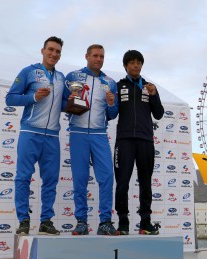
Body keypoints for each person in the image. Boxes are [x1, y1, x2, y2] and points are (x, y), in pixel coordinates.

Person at [6, 36, 67, 235]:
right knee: (23, 177)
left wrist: (74, 99)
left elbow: (64, 104)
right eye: (51, 49)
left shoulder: (61, 78)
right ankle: (23, 220)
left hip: (52, 136)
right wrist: (33, 97)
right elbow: (10, 98)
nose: (54, 54)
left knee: (50, 180)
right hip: (30, 132)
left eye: (58, 51)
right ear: (42, 50)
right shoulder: (28, 71)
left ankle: (46, 221)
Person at [65, 44, 118, 235]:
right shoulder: (73, 76)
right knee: (80, 179)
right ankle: (81, 221)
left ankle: (105, 221)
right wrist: (70, 99)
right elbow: (64, 103)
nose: (98, 59)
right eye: (95, 55)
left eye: (102, 56)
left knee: (107, 177)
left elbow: (112, 113)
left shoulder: (110, 82)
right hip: (78, 132)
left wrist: (111, 104)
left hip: (99, 134)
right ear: (86, 56)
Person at [114, 50, 164, 235]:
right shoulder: (118, 86)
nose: (136, 65)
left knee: (146, 182)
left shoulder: (149, 86)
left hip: (145, 140)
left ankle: (145, 222)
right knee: (122, 183)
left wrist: (154, 95)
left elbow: (158, 113)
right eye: (132, 62)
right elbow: (111, 113)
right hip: (124, 141)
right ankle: (123, 222)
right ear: (125, 65)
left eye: (139, 62)